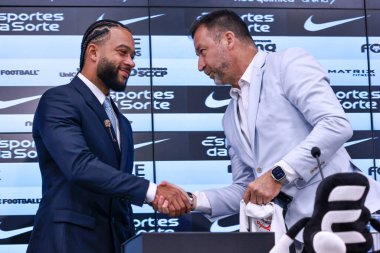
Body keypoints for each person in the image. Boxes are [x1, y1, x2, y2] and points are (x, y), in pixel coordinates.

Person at [158, 9, 380, 250]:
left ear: (228, 40)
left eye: (202, 52)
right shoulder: (229, 117)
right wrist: (192, 200)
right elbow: (247, 188)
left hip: (351, 219)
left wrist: (278, 175)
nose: (200, 65)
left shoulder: (288, 63)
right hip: (301, 235)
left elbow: (335, 124)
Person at [26, 19, 190, 253]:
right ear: (93, 52)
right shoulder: (59, 100)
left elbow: (116, 189)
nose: (131, 63)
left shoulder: (122, 122)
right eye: (123, 52)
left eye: (133, 55)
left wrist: (171, 200)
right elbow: (79, 166)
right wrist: (153, 192)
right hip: (67, 244)